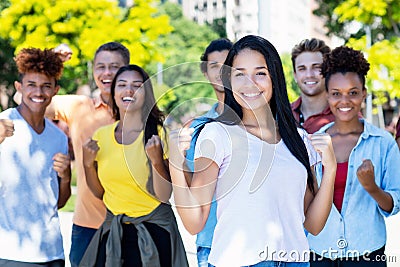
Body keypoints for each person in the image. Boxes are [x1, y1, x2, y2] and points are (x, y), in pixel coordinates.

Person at [169, 35, 337, 267]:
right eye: (239, 74)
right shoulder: (217, 134)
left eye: (260, 73)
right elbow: (194, 222)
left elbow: (313, 225)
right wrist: (175, 163)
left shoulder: (299, 139)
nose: (250, 83)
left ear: (274, 78)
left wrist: (331, 170)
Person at [80, 65, 188, 267]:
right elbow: (99, 192)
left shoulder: (159, 135)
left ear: (146, 94)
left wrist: (156, 160)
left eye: (137, 86)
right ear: (113, 92)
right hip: (114, 234)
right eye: (122, 85)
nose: (129, 90)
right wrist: (87, 164)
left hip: (155, 235)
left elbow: (164, 195)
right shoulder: (101, 136)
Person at [307, 46, 400, 266]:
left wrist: (372, 188)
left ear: (364, 93)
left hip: (367, 253)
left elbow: (394, 205)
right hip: (320, 252)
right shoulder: (312, 144)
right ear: (327, 95)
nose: (345, 101)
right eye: (336, 93)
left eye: (353, 92)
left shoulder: (383, 143)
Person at [45, 42, 130, 267]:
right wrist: (50, 65)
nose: (107, 73)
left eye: (114, 66)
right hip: (88, 229)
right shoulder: (79, 107)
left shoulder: (142, 114)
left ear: (127, 70)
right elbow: (24, 100)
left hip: (132, 227)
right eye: (100, 67)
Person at [0, 48, 71, 266]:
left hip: (52, 253)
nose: (38, 92)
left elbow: (59, 202)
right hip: (10, 253)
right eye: (31, 85)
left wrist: (67, 176)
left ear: (55, 90)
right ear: (19, 87)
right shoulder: (3, 125)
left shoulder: (58, 137)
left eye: (46, 86)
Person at [185, 37, 233, 267]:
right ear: (205, 73)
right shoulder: (198, 127)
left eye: (228, 65)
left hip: (255, 240)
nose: (222, 72)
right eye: (214, 66)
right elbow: (191, 185)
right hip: (210, 240)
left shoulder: (261, 121)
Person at [291, 38, 335, 133]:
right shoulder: (283, 115)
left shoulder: (343, 116)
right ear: (295, 75)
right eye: (302, 69)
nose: (309, 75)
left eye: (316, 67)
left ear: (328, 71)